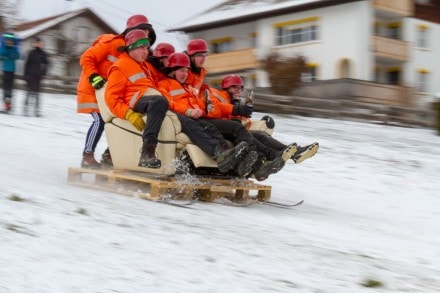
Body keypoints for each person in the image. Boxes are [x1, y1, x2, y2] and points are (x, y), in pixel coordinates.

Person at [159, 52, 297, 181]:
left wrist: (205, 108)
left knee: (230, 127)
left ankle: (258, 159)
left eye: (186, 70)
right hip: (187, 118)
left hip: (200, 117)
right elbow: (168, 103)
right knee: (222, 128)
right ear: (172, 70)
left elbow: (203, 106)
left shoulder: (188, 88)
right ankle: (259, 161)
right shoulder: (164, 85)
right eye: (181, 70)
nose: (185, 73)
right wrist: (189, 111)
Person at [77, 14, 156, 169]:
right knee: (99, 120)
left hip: (111, 91)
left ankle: (109, 157)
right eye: (142, 31)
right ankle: (87, 156)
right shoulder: (112, 43)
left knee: (118, 123)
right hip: (94, 89)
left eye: (147, 33)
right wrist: (94, 76)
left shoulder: (138, 53)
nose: (145, 35)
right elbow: (87, 57)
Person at [213, 74, 319, 164]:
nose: (238, 91)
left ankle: (295, 153)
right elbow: (219, 112)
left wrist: (264, 121)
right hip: (222, 132)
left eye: (240, 88)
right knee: (253, 135)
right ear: (226, 88)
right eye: (234, 88)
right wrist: (237, 110)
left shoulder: (235, 102)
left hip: (235, 131)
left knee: (261, 135)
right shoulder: (220, 97)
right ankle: (273, 155)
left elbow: (244, 122)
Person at [104, 29, 168, 169]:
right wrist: (128, 113)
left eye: (147, 48)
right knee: (159, 101)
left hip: (150, 101)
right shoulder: (120, 66)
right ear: (131, 48)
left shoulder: (143, 66)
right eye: (142, 47)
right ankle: (147, 152)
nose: (146, 51)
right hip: (136, 104)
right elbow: (111, 98)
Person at [23, 37, 49, 117]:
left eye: (39, 43)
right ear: (34, 44)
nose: (37, 44)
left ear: (41, 44)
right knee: (28, 93)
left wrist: (43, 73)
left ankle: (36, 110)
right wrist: (25, 75)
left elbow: (46, 64)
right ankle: (26, 109)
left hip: (38, 76)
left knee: (37, 94)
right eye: (36, 43)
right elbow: (26, 65)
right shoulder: (31, 53)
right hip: (30, 75)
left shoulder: (43, 54)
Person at [0, 31, 20, 112]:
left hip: (12, 71)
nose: (8, 42)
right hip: (5, 70)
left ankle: (9, 104)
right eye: (7, 40)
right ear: (5, 41)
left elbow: (17, 56)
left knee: (10, 88)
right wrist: (4, 51)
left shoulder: (14, 48)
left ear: (12, 41)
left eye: (10, 41)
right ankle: (6, 104)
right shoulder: (3, 47)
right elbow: (0, 56)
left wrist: (12, 54)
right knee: (5, 88)